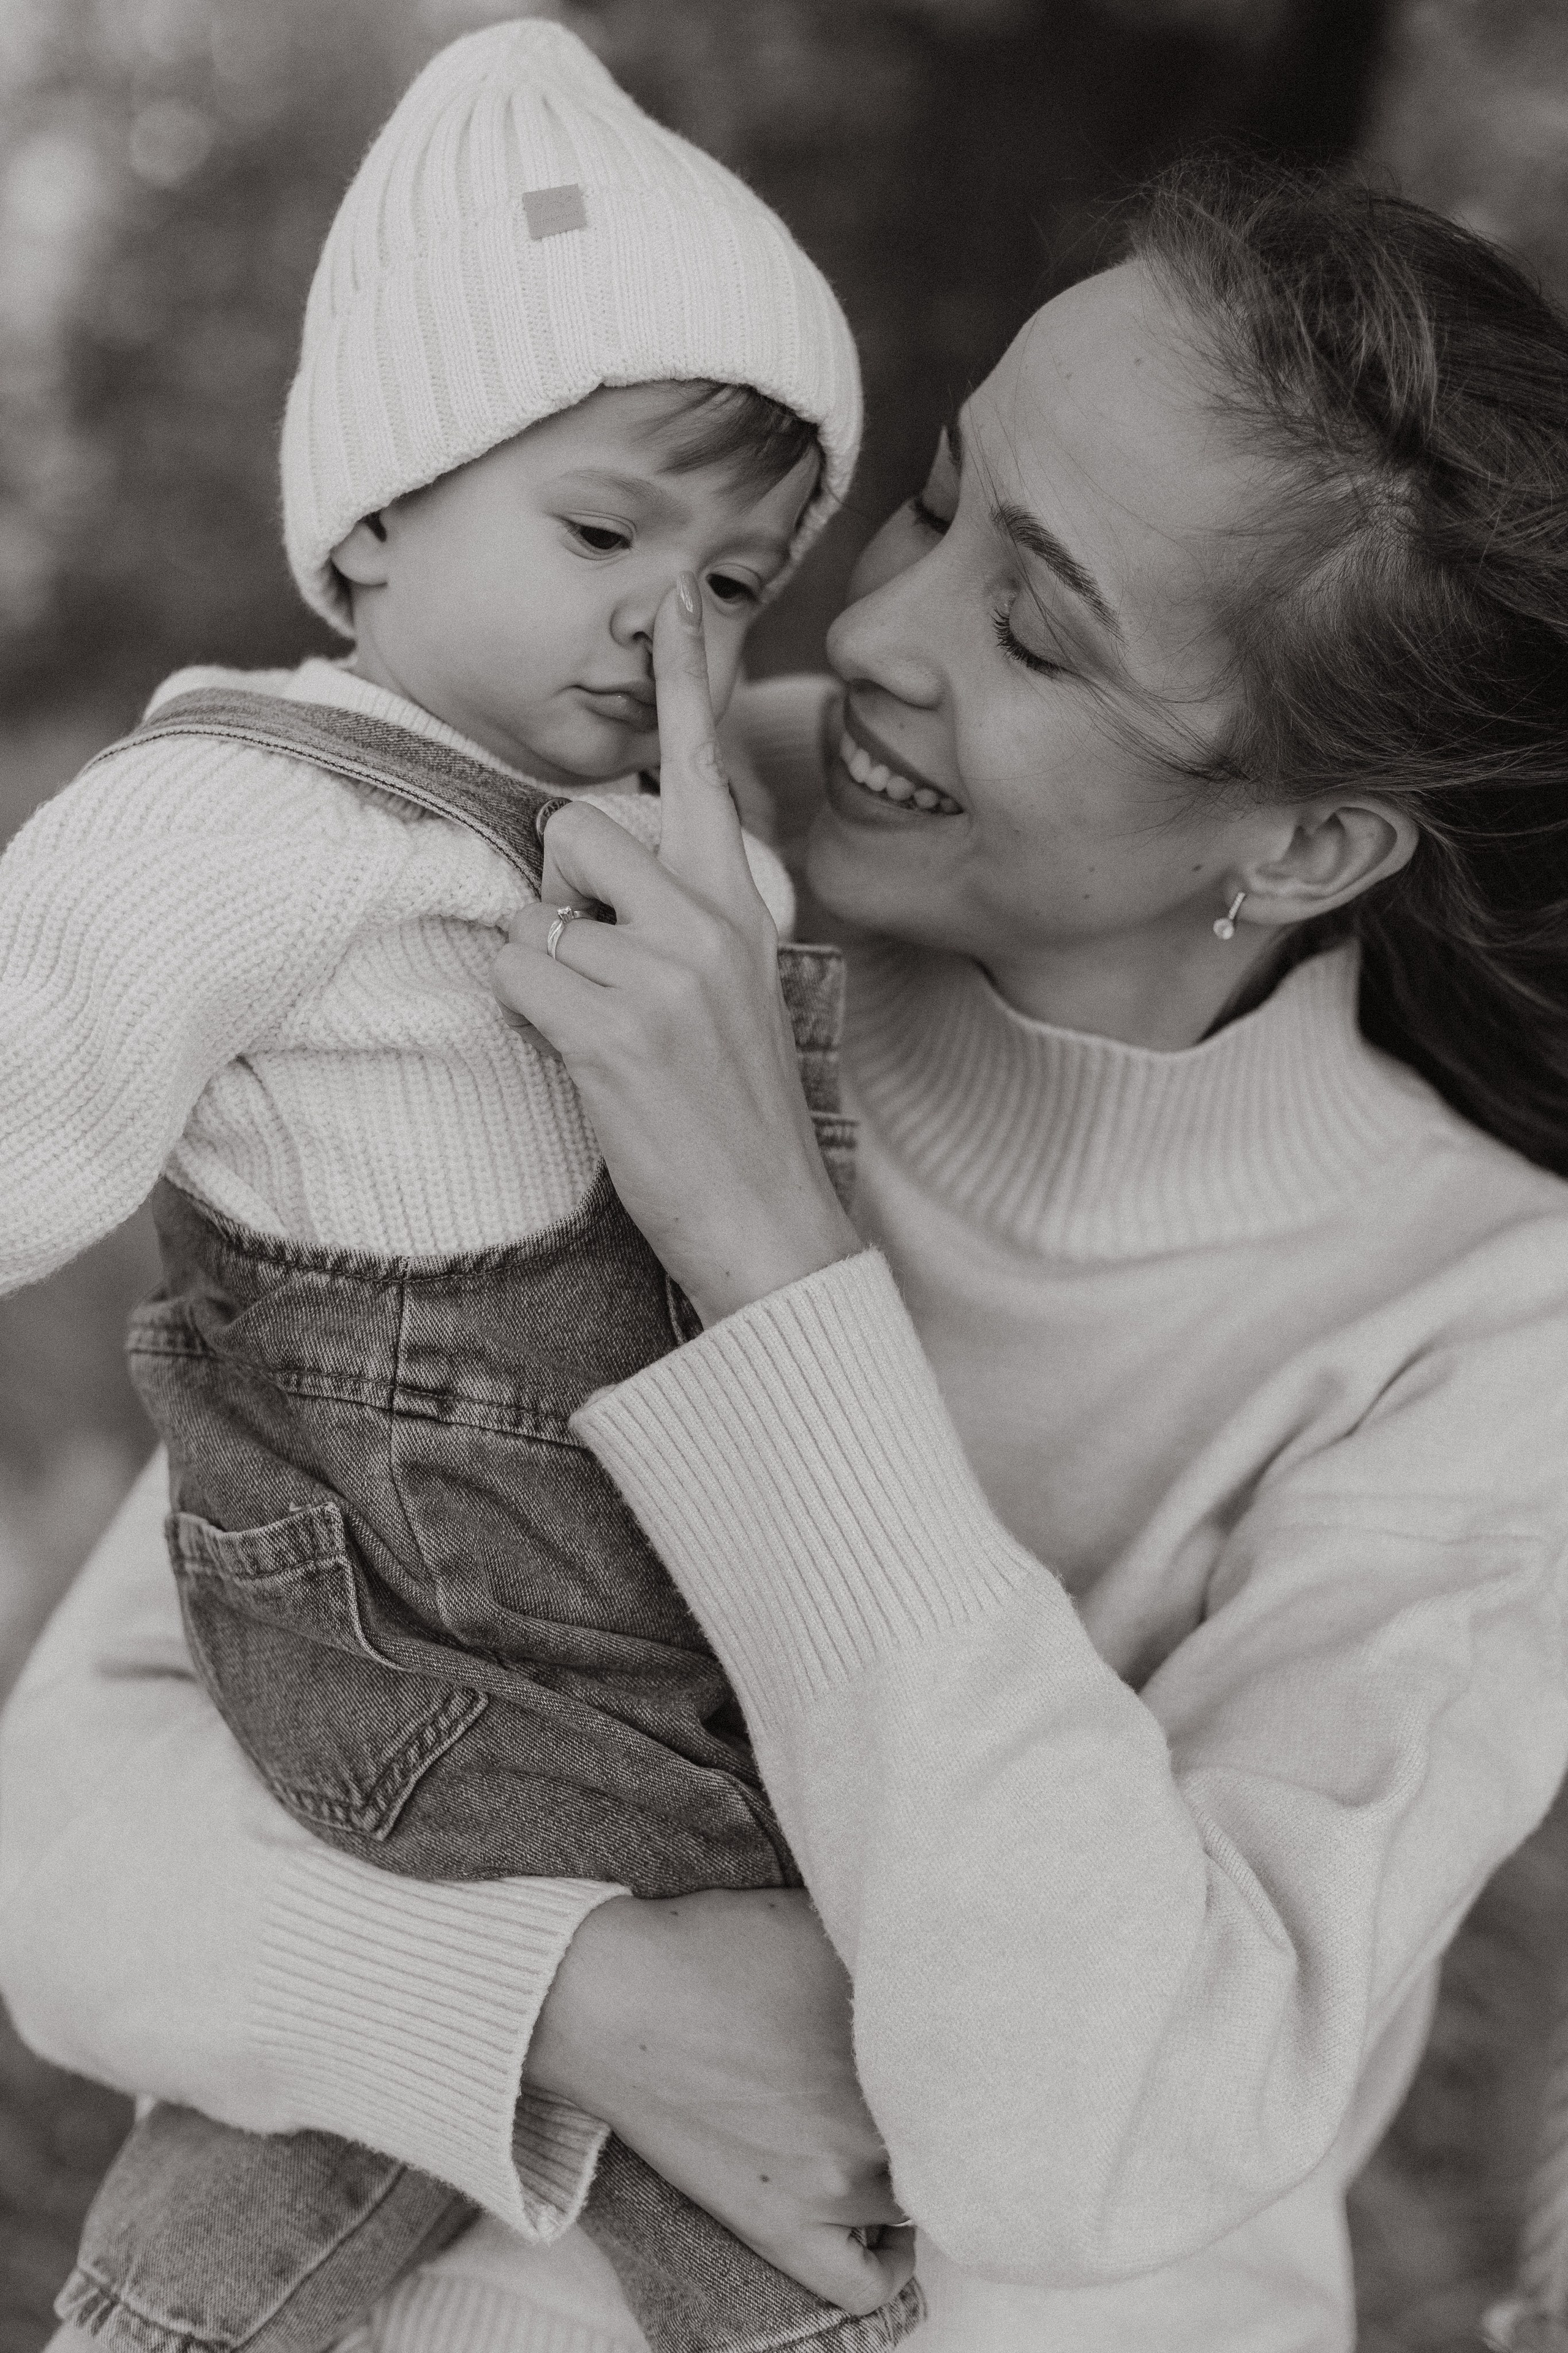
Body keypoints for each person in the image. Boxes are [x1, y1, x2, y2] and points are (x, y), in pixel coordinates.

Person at [9, 154, 1568, 2353]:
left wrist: (770, 1263)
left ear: (1306, 838)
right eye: (932, 504)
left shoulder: (1489, 1323)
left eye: (1035, 630)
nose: (864, 633)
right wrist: (574, 1994)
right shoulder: (585, 867)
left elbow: (1103, 2126)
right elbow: (70, 1815)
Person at [0, 22, 902, 2353]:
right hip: (414, 1611)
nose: (663, 627)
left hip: (597, 1581)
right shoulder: (249, 816)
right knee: (822, 2073)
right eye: (604, 534)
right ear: (381, 511)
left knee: (383, 2109)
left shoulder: (652, 838)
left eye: (738, 581)